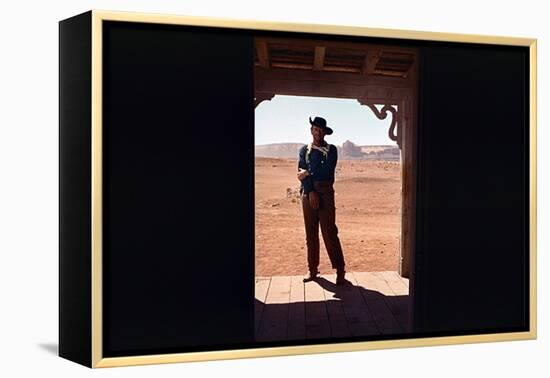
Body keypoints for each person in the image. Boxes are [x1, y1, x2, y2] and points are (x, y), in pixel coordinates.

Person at [297, 116, 347, 285]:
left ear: (325, 132)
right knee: (310, 234)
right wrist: (310, 191)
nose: (318, 132)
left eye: (321, 130)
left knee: (330, 232)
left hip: (325, 194)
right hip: (308, 194)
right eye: (315, 129)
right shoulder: (304, 150)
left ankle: (340, 270)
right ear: (311, 130)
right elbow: (301, 171)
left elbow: (325, 172)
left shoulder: (331, 150)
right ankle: (312, 269)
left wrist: (306, 175)